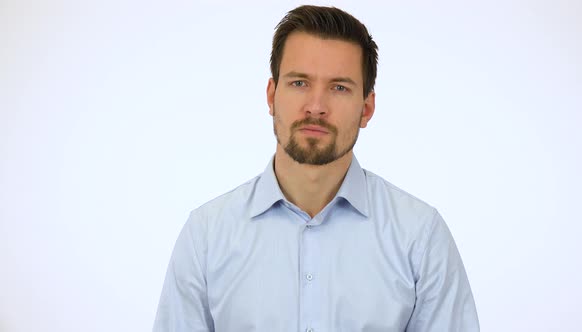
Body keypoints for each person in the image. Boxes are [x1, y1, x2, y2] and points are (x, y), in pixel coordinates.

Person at [153, 5, 479, 332]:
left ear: (367, 108)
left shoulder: (420, 237)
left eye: (339, 87)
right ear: (271, 95)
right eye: (299, 83)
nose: (316, 107)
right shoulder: (207, 235)